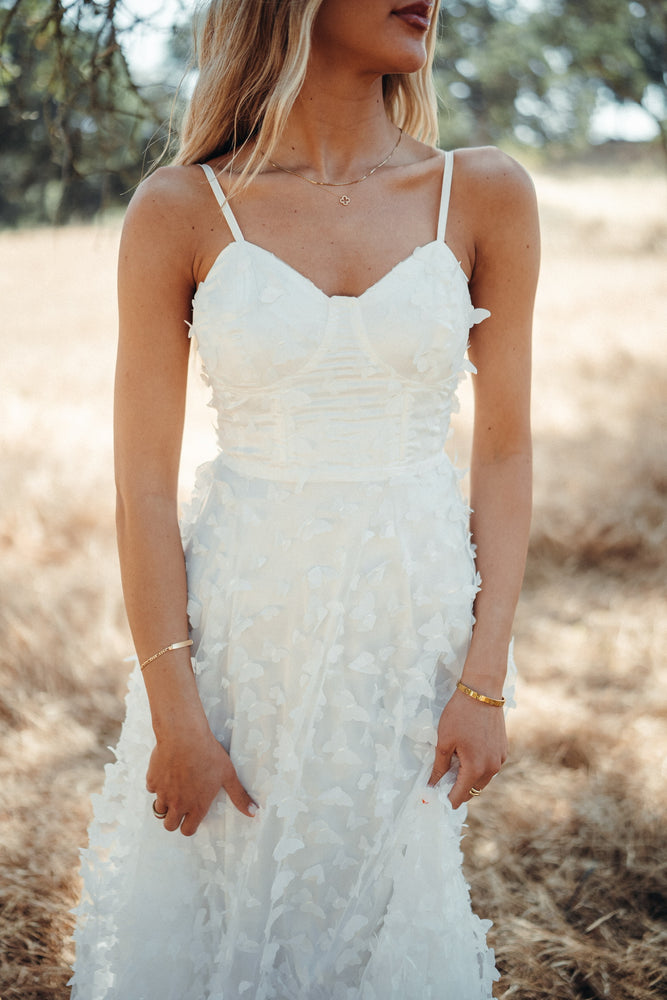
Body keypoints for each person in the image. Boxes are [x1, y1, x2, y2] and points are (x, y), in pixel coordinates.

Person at [70, 0, 538, 997]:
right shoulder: (181, 208)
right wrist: (173, 713)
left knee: (380, 926)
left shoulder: (483, 192)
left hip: (408, 647)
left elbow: (502, 455)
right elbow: (142, 484)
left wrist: (485, 675)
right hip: (243, 644)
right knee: (227, 927)